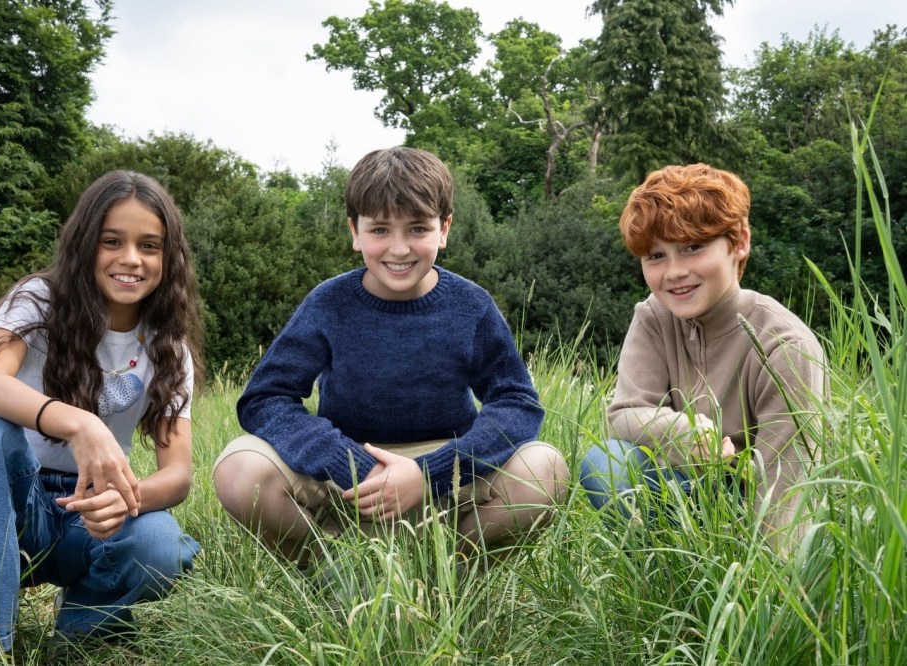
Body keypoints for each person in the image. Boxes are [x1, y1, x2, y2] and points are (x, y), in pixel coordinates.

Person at [213, 146, 569, 568]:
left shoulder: (470, 306)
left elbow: (516, 402)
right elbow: (265, 398)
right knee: (238, 468)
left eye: (417, 228)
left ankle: (443, 574)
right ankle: (339, 572)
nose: (398, 249)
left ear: (444, 229)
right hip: (344, 476)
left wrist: (429, 474)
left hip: (445, 476)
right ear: (355, 231)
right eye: (380, 229)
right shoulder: (329, 303)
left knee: (545, 468)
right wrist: (350, 463)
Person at [0, 170, 203, 654]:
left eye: (150, 245)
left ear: (170, 256)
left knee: (160, 544)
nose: (131, 259)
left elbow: (179, 474)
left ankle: (75, 645)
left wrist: (129, 498)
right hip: (13, 499)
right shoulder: (38, 300)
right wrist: (79, 423)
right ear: (85, 243)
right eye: (112, 241)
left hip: (90, 515)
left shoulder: (169, 347)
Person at [579, 163, 826, 552]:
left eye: (693, 247)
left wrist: (773, 590)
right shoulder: (653, 318)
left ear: (739, 242)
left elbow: (788, 482)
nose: (674, 272)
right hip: (680, 491)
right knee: (604, 462)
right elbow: (624, 413)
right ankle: (662, 582)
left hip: (753, 505)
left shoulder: (786, 343)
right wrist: (687, 433)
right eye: (656, 256)